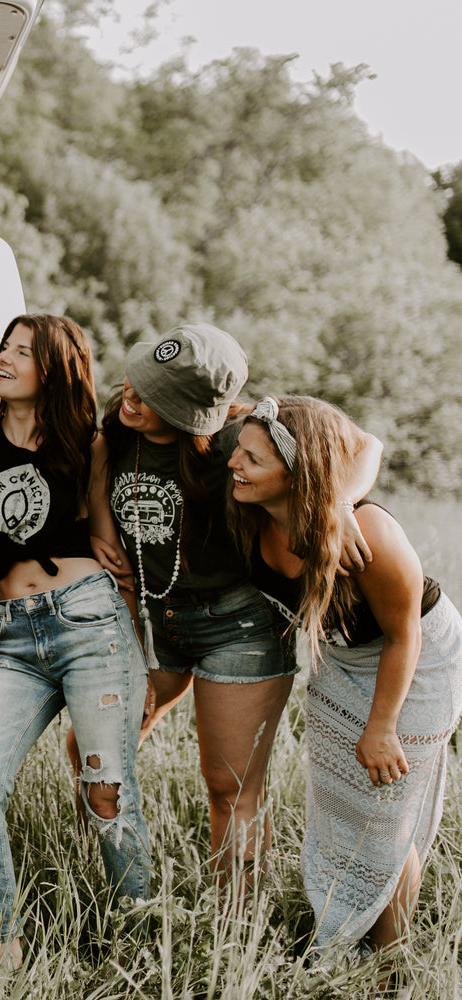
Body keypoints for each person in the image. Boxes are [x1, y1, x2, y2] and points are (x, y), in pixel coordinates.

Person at [97, 323, 378, 892]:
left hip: (236, 625)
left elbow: (363, 444)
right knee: (96, 750)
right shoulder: (117, 425)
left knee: (229, 786)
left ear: (197, 413)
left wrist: (338, 498)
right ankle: (120, 886)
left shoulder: (232, 440)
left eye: (156, 396)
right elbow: (97, 462)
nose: (134, 395)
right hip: (155, 622)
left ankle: (233, 925)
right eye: (141, 377)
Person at [228, 395, 462, 960]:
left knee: (385, 815)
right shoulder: (253, 505)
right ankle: (350, 931)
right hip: (341, 657)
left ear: (299, 473)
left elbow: (407, 636)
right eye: (239, 450)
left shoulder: (369, 536)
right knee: (341, 807)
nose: (236, 462)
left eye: (252, 459)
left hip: (418, 658)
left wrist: (381, 727)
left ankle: (385, 962)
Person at [0, 315, 151, 966]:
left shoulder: (86, 443)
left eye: (22, 351)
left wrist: (137, 645)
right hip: (14, 639)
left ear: (54, 370)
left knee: (106, 793)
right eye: (2, 346)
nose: (4, 357)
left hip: (89, 621)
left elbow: (106, 540)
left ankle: (137, 948)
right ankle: (6, 948)